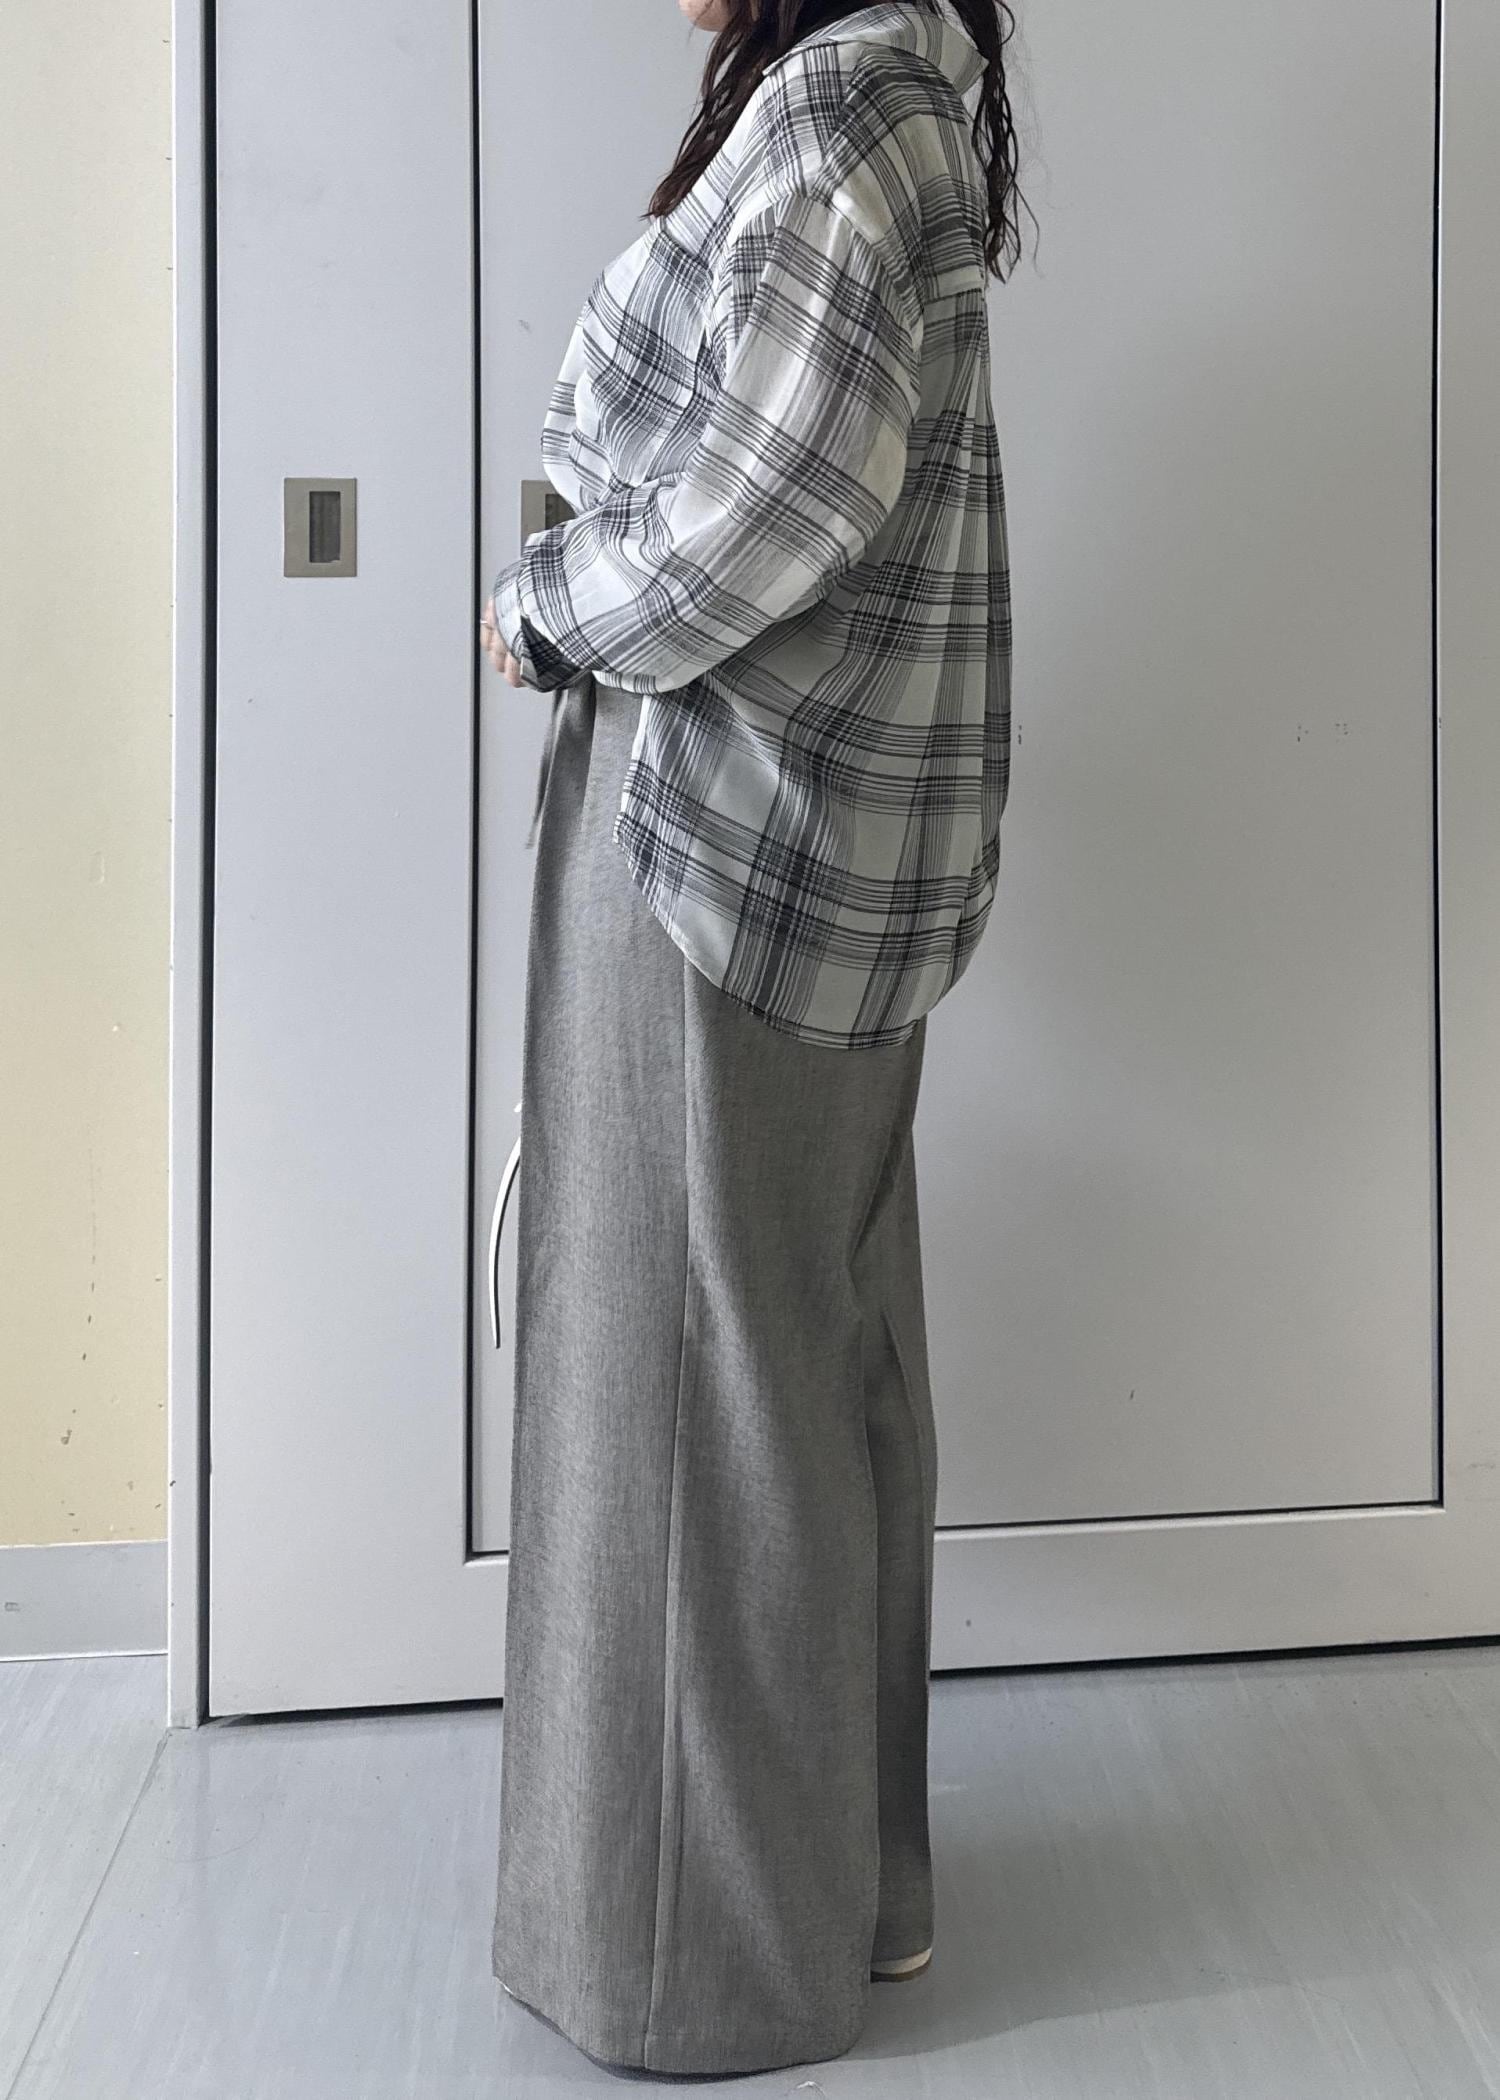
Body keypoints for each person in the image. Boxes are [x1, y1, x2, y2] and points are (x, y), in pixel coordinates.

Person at [478, 0, 1023, 2077]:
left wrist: (550, 609)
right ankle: (847, 1887)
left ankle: (687, 1962)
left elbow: (770, 498)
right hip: (831, 851)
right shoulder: (899, 97)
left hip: (717, 842)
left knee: (677, 1382)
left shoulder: (834, 110)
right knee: (808, 1352)